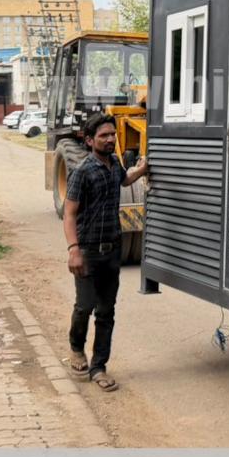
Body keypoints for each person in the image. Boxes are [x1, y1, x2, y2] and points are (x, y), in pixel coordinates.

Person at [62, 113, 150, 391]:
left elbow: (124, 180)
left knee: (106, 311)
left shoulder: (114, 164)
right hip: (87, 251)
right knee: (85, 306)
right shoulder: (82, 171)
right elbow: (69, 214)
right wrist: (73, 249)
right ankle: (77, 348)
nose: (111, 139)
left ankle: (99, 366)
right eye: (104, 136)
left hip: (112, 251)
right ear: (89, 141)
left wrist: (142, 170)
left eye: (112, 134)